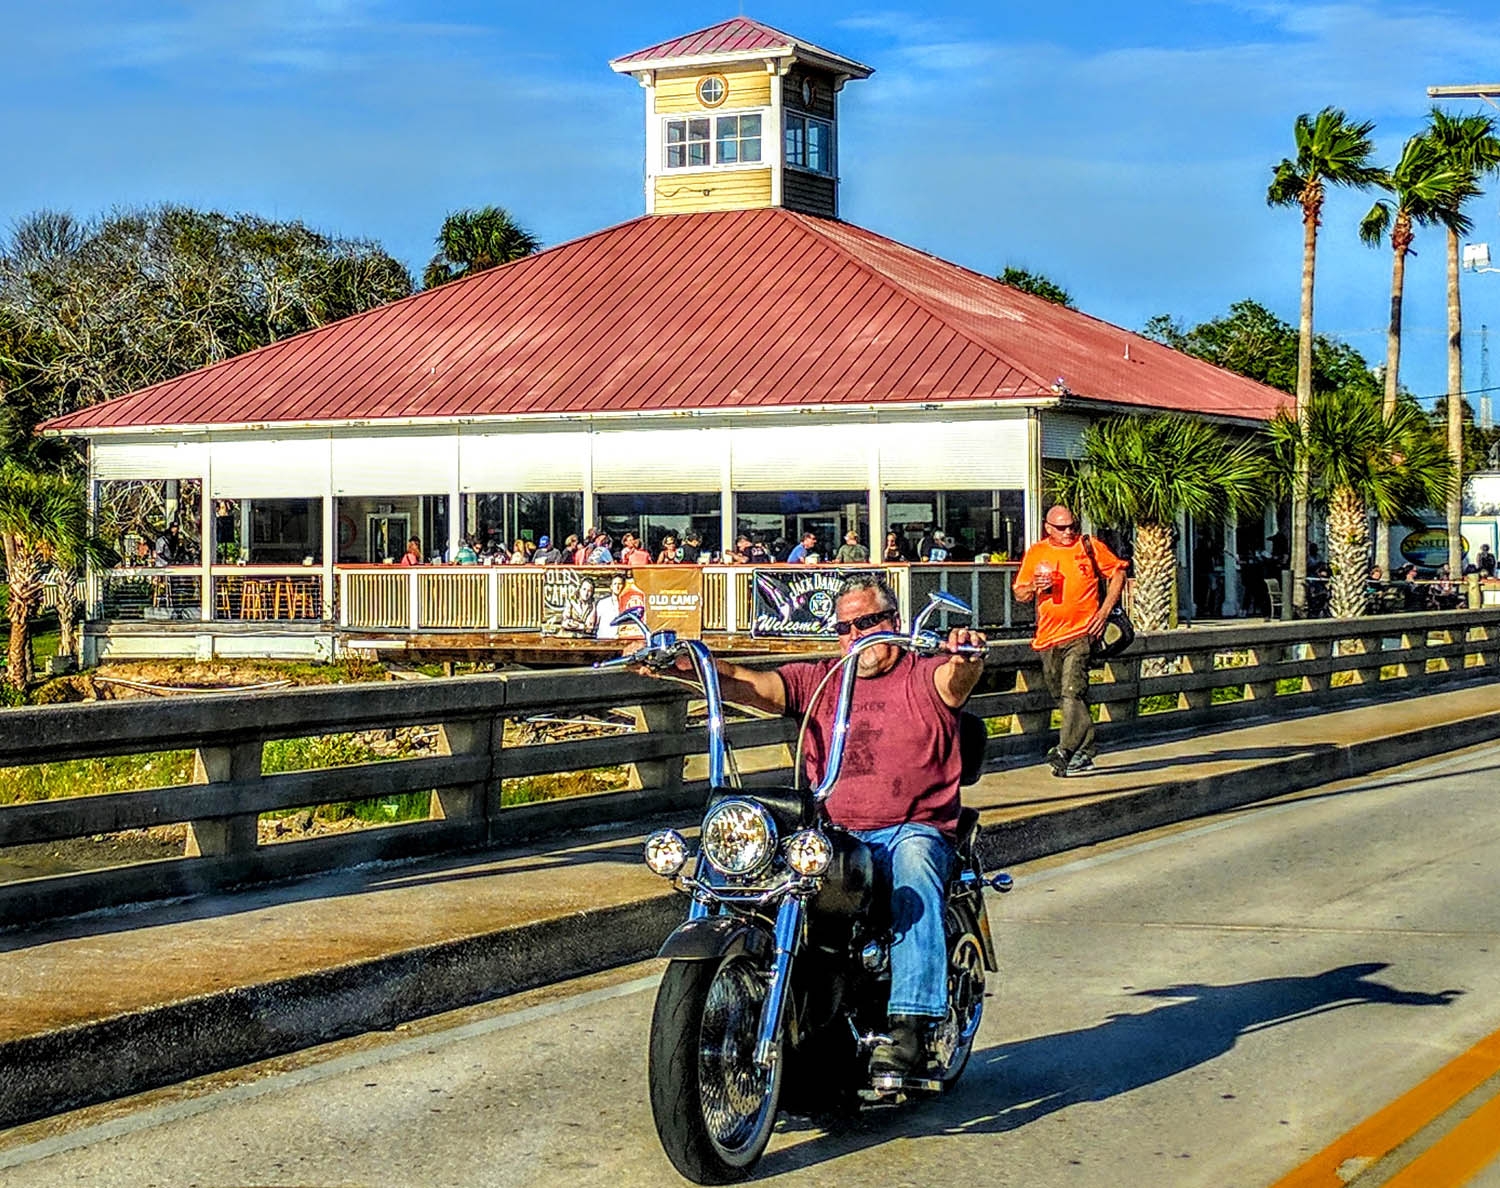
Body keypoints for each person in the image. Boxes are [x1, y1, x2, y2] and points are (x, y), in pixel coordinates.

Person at [635, 574, 987, 1080]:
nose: (858, 635)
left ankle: (910, 1026)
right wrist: (690, 666)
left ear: (895, 622)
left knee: (914, 866)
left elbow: (957, 681)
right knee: (762, 878)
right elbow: (751, 684)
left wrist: (965, 656)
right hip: (830, 832)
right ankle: (769, 1004)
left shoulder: (925, 674)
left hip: (909, 826)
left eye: (869, 622)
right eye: (846, 627)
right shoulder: (820, 679)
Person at [1013, 505, 1126, 777]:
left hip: (1081, 633)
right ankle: (1085, 749)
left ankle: (1064, 751)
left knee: (1072, 690)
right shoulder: (1038, 552)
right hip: (1049, 636)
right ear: (1048, 528)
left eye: (1072, 526)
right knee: (1060, 695)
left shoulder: (1089, 546)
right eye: (1062, 528)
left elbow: (1118, 573)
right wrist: (1033, 587)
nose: (1068, 532)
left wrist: (1103, 612)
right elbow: (1020, 592)